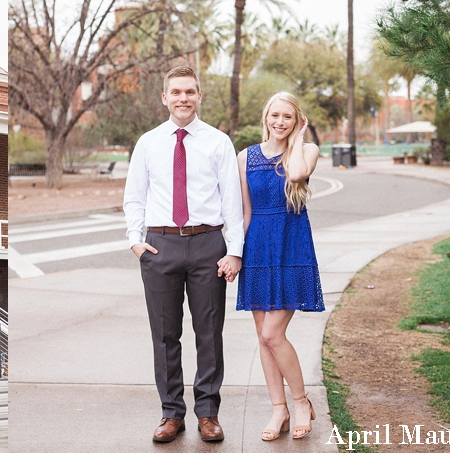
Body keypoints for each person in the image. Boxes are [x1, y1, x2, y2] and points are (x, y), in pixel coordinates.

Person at [124, 65, 244, 444]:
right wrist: (135, 241)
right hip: (160, 246)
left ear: (199, 96)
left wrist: (235, 251)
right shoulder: (148, 142)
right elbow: (134, 197)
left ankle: (208, 413)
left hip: (209, 244)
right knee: (165, 335)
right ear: (165, 97)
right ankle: (171, 413)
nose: (183, 98)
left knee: (209, 334)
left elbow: (233, 203)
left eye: (190, 92)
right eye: (176, 92)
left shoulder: (218, 142)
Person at [235, 91, 325, 442]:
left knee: (273, 334)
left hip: (292, 246)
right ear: (266, 116)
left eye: (288, 116)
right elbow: (245, 212)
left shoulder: (307, 152)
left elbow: (298, 173)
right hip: (257, 247)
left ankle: (300, 401)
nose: (280, 122)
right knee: (263, 336)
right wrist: (237, 253)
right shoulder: (246, 156)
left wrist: (299, 138)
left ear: (296, 119)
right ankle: (279, 409)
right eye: (275, 115)